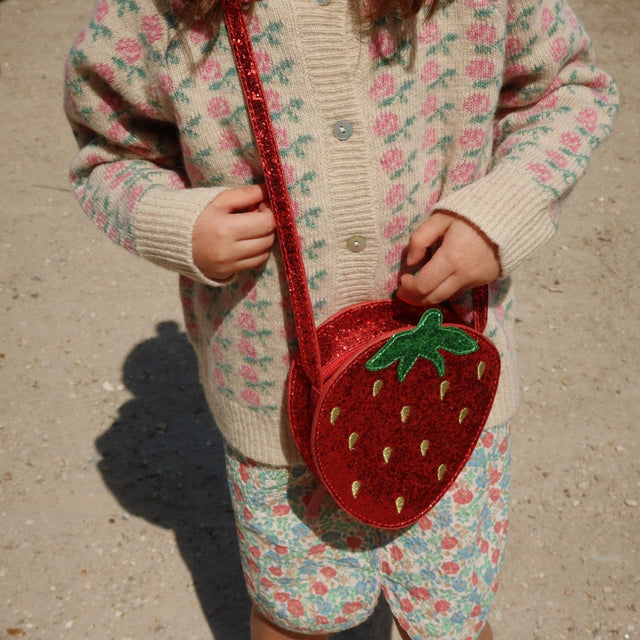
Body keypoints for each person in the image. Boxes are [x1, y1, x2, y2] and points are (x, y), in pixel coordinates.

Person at [64, 0, 617, 638]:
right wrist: (172, 220)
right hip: (276, 409)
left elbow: (569, 89)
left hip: (451, 396)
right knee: (292, 614)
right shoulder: (160, 14)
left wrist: (504, 208)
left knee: (454, 614)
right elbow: (108, 151)